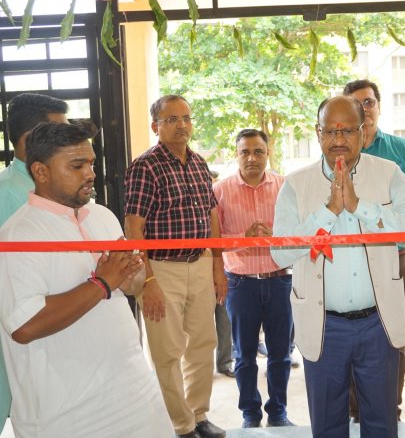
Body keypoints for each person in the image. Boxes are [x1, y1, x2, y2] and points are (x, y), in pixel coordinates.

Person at [0, 121, 172, 438]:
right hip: (67, 416)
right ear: (41, 172)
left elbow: (131, 285)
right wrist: (101, 284)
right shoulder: (17, 236)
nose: (90, 173)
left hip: (135, 396)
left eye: (91, 163)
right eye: (77, 165)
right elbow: (24, 326)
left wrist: (132, 274)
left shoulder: (102, 216)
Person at [271, 96, 405, 437]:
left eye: (347, 130)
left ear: (363, 131)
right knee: (327, 425)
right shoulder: (296, 184)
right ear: (317, 133)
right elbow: (280, 253)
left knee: (382, 422)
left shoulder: (388, 174)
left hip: (378, 324)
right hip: (324, 325)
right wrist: (327, 211)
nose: (338, 139)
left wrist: (360, 206)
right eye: (330, 131)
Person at [124, 94, 227, 438]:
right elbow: (133, 228)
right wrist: (147, 280)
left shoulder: (198, 163)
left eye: (186, 118)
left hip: (200, 263)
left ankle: (199, 416)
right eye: (172, 119)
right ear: (156, 126)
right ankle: (179, 425)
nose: (181, 125)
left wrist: (216, 268)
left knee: (203, 344)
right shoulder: (145, 166)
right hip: (162, 270)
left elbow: (211, 218)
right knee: (168, 352)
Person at [0, 92, 68, 435]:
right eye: (60, 132)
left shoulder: (49, 184)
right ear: (33, 139)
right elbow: (5, 278)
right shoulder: (6, 192)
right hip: (34, 329)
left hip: (64, 325)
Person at [343, 79, 405, 422]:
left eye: (369, 102)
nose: (364, 108)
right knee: (348, 333)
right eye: (356, 104)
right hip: (350, 257)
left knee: (392, 333)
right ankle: (355, 410)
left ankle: (391, 408)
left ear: (378, 105)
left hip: (393, 256)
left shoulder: (401, 149)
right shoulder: (338, 149)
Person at [213, 128, 295, 429]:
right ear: (236, 155)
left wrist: (275, 238)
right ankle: (250, 413)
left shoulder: (285, 186)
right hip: (240, 283)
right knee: (244, 356)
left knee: (280, 355)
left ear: (268, 153)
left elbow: (296, 233)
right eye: (245, 152)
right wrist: (244, 238)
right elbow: (215, 238)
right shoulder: (220, 190)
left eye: (258, 151)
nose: (251, 158)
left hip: (279, 281)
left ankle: (278, 412)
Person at [210, 170, 235, 378]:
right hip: (197, 272)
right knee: (200, 329)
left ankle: (225, 361)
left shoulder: (213, 209)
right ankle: (201, 367)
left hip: (221, 271)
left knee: (224, 321)